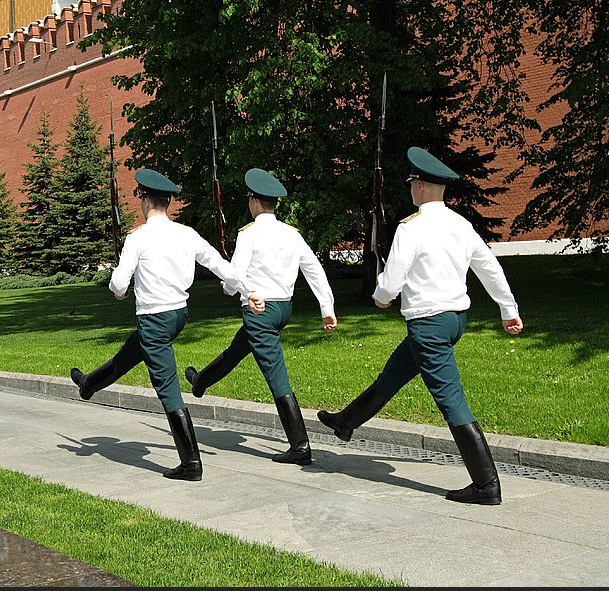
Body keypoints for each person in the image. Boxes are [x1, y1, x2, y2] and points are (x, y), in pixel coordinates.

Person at [318, 147, 524, 505]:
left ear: (421, 187)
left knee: (452, 402)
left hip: (428, 324)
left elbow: (392, 280)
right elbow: (489, 268)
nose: (411, 187)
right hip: (454, 320)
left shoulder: (410, 228)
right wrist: (508, 308)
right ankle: (345, 422)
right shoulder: (461, 225)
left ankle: (486, 484)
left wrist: (381, 296)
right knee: (393, 375)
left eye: (413, 182)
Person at [70, 168, 260, 482]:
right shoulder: (186, 234)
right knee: (130, 353)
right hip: (178, 317)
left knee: (168, 389)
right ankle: (88, 384)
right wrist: (248, 290)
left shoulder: (137, 238)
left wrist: (118, 291)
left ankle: (191, 463)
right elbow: (220, 265)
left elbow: (118, 284)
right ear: (169, 201)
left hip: (154, 320)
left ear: (144, 200)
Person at [184, 168, 337, 466]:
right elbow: (314, 271)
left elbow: (236, 275)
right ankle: (200, 381)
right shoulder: (292, 234)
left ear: (254, 201)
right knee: (236, 350)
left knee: (276, 375)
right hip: (283, 310)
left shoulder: (249, 234)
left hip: (259, 310)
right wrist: (326, 309)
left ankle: (300, 445)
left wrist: (228, 288)